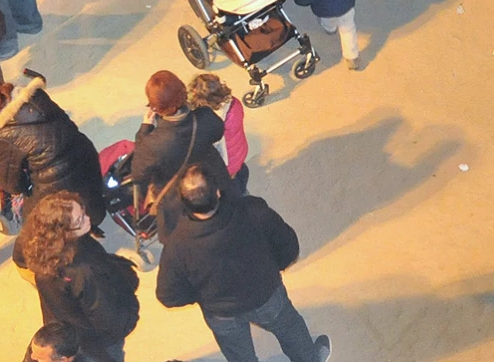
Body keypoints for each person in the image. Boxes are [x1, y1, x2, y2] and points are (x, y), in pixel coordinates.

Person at [156, 164, 328, 362]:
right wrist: (272, 269)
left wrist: (202, 295)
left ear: (184, 203)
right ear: (218, 191)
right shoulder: (253, 210)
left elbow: (168, 295)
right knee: (289, 328)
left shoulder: (177, 245)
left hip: (220, 313)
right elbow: (289, 246)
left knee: (240, 357)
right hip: (266, 294)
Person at [17, 194, 141, 362]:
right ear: (63, 232)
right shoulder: (84, 271)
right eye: (79, 220)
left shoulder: (40, 247)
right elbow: (107, 318)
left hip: (67, 321)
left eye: (83, 212)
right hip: (97, 340)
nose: (87, 219)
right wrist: (130, 315)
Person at [0, 73, 111, 221]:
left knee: (32, 220)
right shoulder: (37, 96)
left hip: (55, 185)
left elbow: (12, 186)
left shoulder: (1, 135)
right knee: (87, 194)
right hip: (85, 156)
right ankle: (93, 218)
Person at [131, 70, 233, 231]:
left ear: (156, 108)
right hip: (212, 177)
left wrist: (145, 128)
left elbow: (138, 173)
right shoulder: (206, 117)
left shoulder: (153, 143)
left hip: (178, 196)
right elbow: (217, 132)